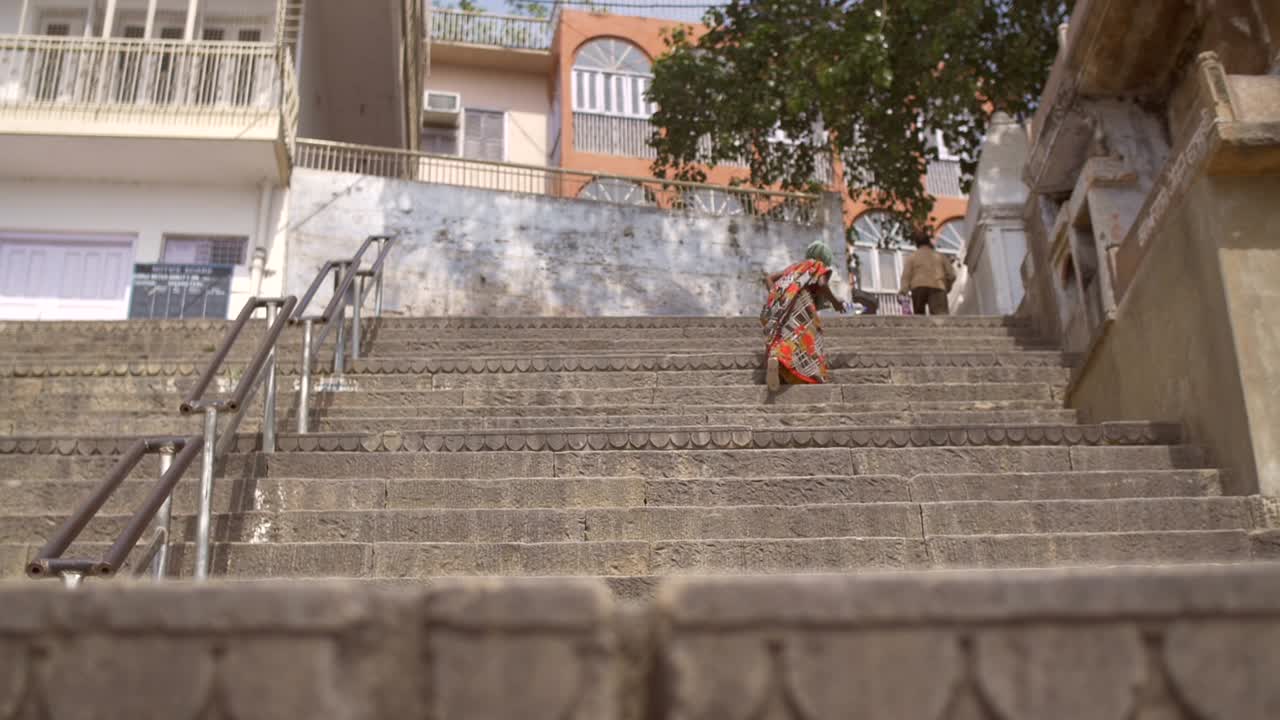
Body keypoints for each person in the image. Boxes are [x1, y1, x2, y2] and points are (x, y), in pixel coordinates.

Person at [760, 240, 848, 391]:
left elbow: (769, 278)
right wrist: (835, 302)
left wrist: (778, 296)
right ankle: (810, 374)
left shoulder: (794, 267)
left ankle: (777, 360)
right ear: (825, 257)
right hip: (804, 307)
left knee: (787, 336)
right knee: (808, 340)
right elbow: (821, 284)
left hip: (786, 305)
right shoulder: (818, 265)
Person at [899, 228, 956, 315]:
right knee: (941, 318)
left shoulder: (912, 257)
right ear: (929, 242)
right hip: (938, 286)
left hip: (918, 287)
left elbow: (906, 277)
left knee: (919, 318)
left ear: (916, 244)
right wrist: (946, 287)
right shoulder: (940, 256)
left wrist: (903, 292)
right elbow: (951, 275)